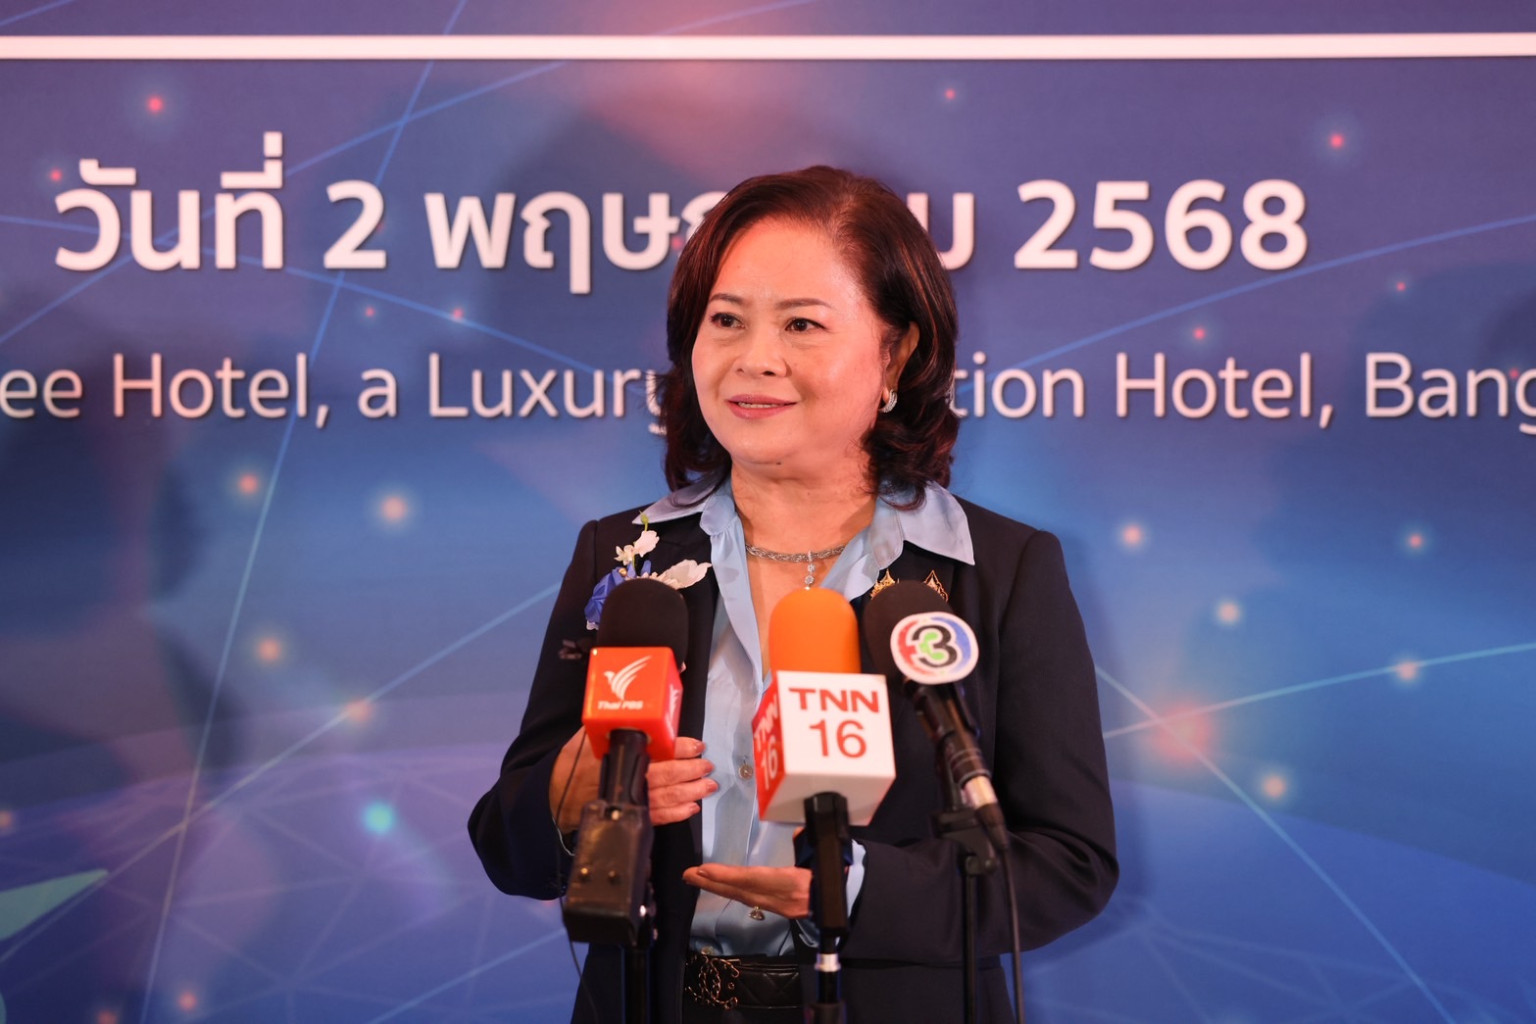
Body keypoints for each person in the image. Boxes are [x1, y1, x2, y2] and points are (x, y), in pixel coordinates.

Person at [468, 166, 1117, 1023]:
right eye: (726, 320)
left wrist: (858, 888)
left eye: (802, 324)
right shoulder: (627, 559)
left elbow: (1069, 862)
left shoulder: (994, 571)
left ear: (897, 354)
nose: (755, 359)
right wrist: (569, 794)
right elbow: (507, 847)